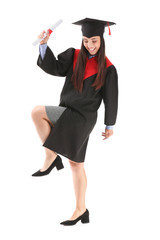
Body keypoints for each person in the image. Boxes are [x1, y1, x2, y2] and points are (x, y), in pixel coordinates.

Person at [31, 18, 118, 226]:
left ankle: (51, 157)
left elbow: (111, 99)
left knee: (37, 112)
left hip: (84, 118)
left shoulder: (108, 68)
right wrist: (43, 45)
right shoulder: (74, 56)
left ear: (102, 40)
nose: (90, 45)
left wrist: (110, 126)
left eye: (94, 41)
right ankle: (81, 209)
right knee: (76, 164)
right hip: (67, 110)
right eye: (87, 40)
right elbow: (54, 68)